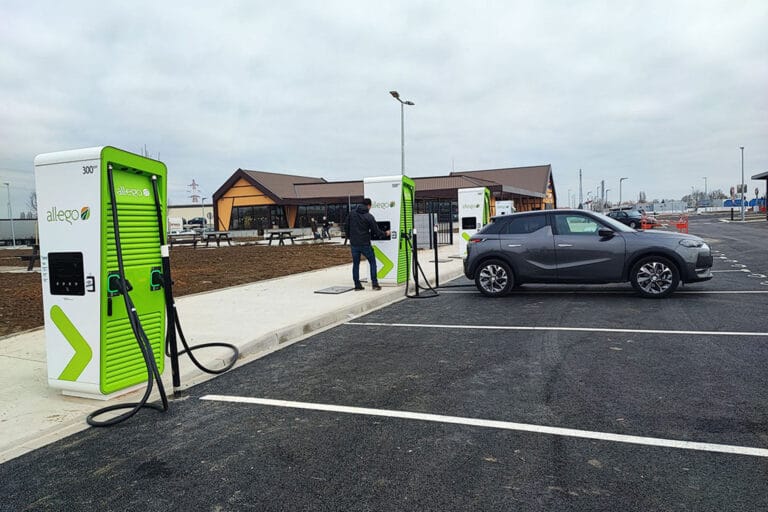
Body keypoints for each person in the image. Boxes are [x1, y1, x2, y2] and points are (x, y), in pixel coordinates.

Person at [346, 198, 390, 290]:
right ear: (369, 206)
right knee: (372, 262)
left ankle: (357, 285)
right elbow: (376, 231)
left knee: (356, 264)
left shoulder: (351, 214)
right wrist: (385, 233)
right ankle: (375, 284)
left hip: (354, 244)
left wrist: (350, 237)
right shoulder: (369, 216)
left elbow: (346, 226)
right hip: (365, 244)